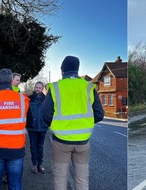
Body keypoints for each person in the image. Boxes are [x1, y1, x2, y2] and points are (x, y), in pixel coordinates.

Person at [42, 55, 104, 190]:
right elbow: (99, 114)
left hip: (60, 141)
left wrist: (56, 126)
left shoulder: (55, 87)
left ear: (62, 70)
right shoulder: (89, 87)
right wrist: (84, 123)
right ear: (77, 69)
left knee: (60, 178)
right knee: (82, 179)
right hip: (83, 142)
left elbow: (46, 114)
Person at [26, 81, 49, 174]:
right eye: (36, 87)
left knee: (40, 146)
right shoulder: (29, 99)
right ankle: (34, 164)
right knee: (33, 146)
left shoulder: (46, 99)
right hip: (32, 127)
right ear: (34, 88)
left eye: (40, 88)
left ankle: (40, 164)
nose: (38, 89)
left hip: (42, 127)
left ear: (42, 89)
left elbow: (49, 112)